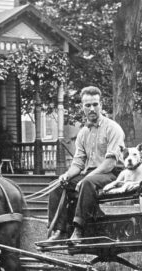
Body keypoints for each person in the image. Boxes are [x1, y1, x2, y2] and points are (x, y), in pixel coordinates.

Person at [47, 86, 125, 241]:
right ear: (82, 107)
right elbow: (78, 163)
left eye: (95, 104)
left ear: (101, 105)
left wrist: (84, 179)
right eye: (88, 105)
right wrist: (66, 175)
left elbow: (109, 164)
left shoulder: (113, 128)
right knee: (58, 185)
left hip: (112, 173)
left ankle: (78, 229)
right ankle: (60, 231)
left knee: (87, 182)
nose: (92, 109)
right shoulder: (83, 133)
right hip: (91, 173)